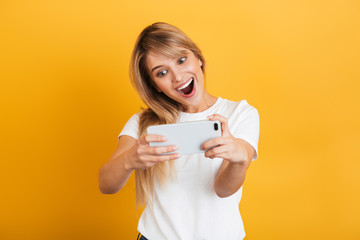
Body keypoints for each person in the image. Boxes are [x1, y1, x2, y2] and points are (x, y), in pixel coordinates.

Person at [98, 22, 260, 240]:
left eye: (182, 60)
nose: (177, 76)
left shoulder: (240, 113)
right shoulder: (142, 123)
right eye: (162, 72)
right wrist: (130, 159)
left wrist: (240, 160)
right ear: (155, 85)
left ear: (198, 58)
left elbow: (223, 189)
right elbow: (106, 185)